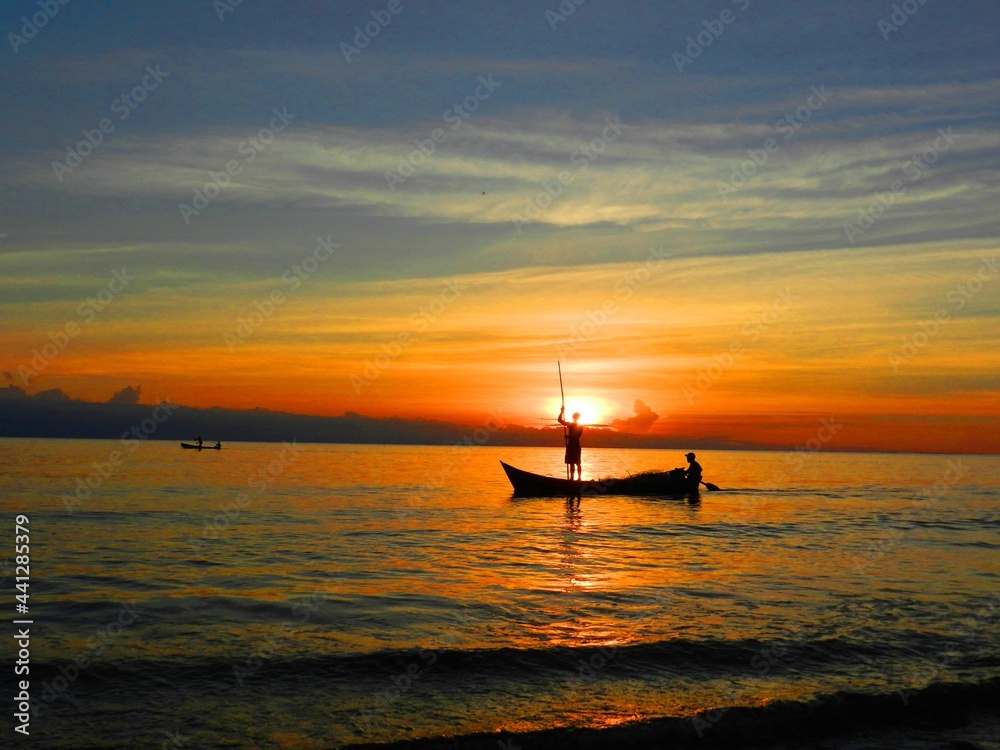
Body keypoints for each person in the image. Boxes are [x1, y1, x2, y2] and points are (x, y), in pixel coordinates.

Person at [557, 407, 584, 481]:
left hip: (575, 446)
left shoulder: (580, 427)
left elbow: (576, 436)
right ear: (573, 417)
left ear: (578, 418)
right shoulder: (570, 424)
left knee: (577, 463)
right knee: (571, 463)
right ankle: (572, 478)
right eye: (574, 417)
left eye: (576, 417)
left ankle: (578, 478)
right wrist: (561, 411)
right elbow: (559, 420)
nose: (575, 418)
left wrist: (568, 437)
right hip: (571, 446)